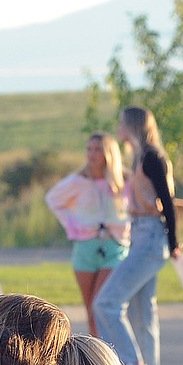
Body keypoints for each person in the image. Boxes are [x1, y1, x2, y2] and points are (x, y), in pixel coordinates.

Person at [94, 106, 181, 365]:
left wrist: (173, 241)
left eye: (121, 124)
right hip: (142, 234)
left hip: (151, 237)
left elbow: (167, 201)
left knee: (106, 303)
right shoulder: (141, 157)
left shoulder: (153, 157)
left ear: (131, 126)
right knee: (142, 313)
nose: (118, 129)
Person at [46, 131, 130, 336]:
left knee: (103, 305)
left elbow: (137, 207)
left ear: (109, 153)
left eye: (98, 150)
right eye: (89, 149)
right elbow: (53, 199)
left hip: (114, 247)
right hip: (85, 248)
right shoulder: (78, 180)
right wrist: (74, 225)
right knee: (91, 309)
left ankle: (112, 352)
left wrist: (126, 228)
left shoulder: (125, 181)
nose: (92, 154)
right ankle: (96, 356)